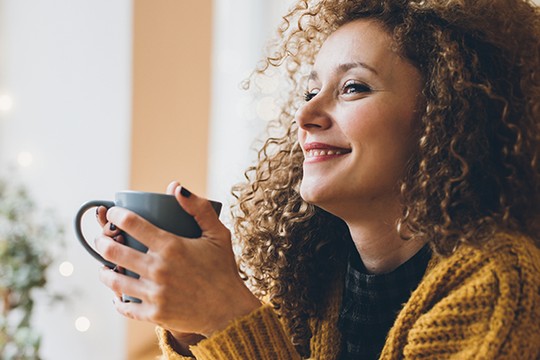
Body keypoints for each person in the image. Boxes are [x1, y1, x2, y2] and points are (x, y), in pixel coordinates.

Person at [94, 0, 540, 358]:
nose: (305, 115)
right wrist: (193, 324)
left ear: (446, 114)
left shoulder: (501, 285)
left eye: (353, 87)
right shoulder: (312, 284)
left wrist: (227, 320)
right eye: (310, 92)